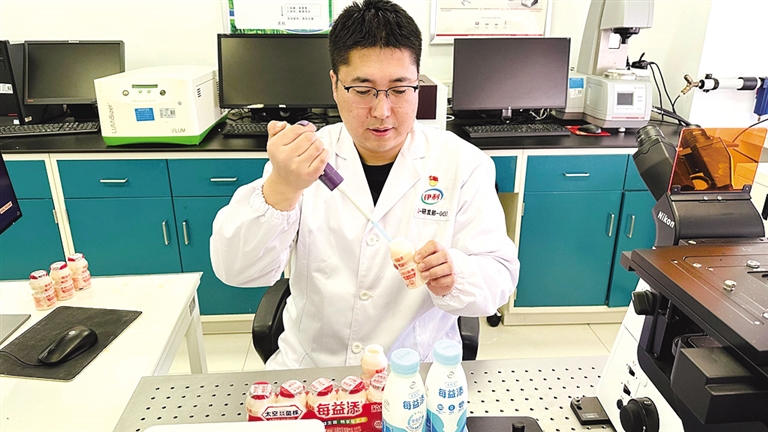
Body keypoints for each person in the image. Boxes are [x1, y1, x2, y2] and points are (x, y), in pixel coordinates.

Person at [210, 0, 519, 370]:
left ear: (418, 84)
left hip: (413, 371)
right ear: (335, 84)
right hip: (313, 369)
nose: (382, 112)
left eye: (400, 89)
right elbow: (237, 270)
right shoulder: (303, 159)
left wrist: (456, 275)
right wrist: (281, 188)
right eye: (362, 89)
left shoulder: (463, 164)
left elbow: (499, 276)